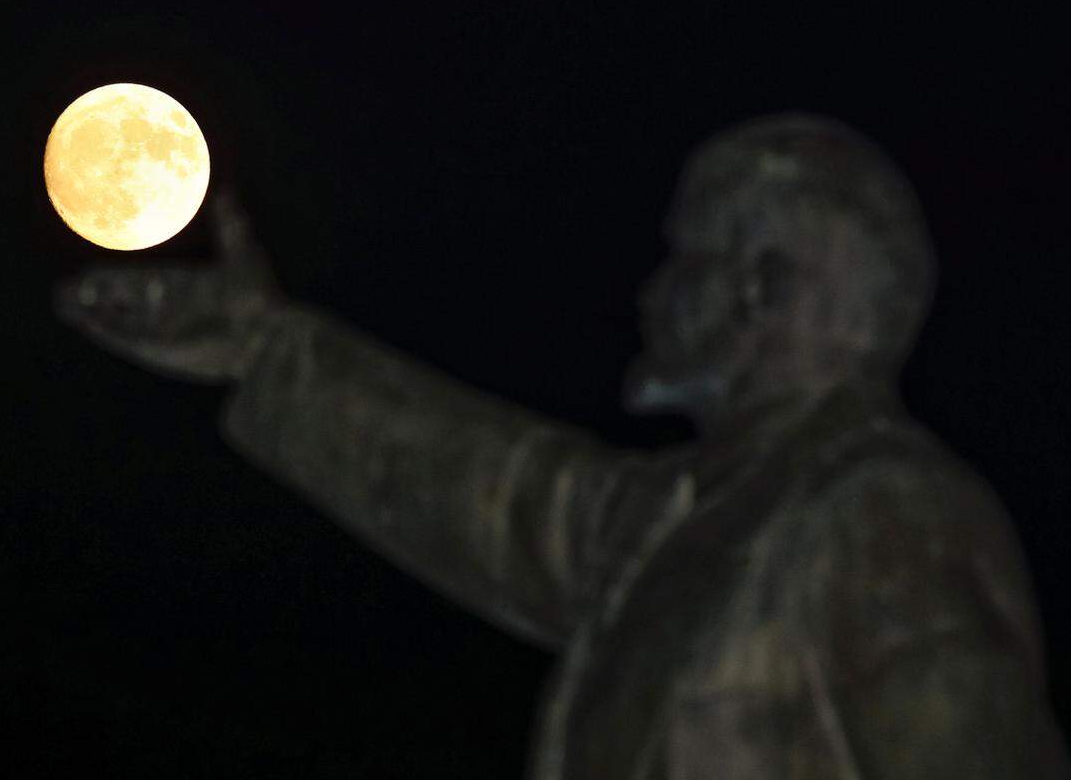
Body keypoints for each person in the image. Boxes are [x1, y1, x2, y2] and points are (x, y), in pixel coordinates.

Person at [57, 113, 1069, 778]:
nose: (649, 293)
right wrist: (266, 347)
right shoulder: (693, 517)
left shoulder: (882, 512)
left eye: (683, 259)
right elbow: (500, 490)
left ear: (764, 286)